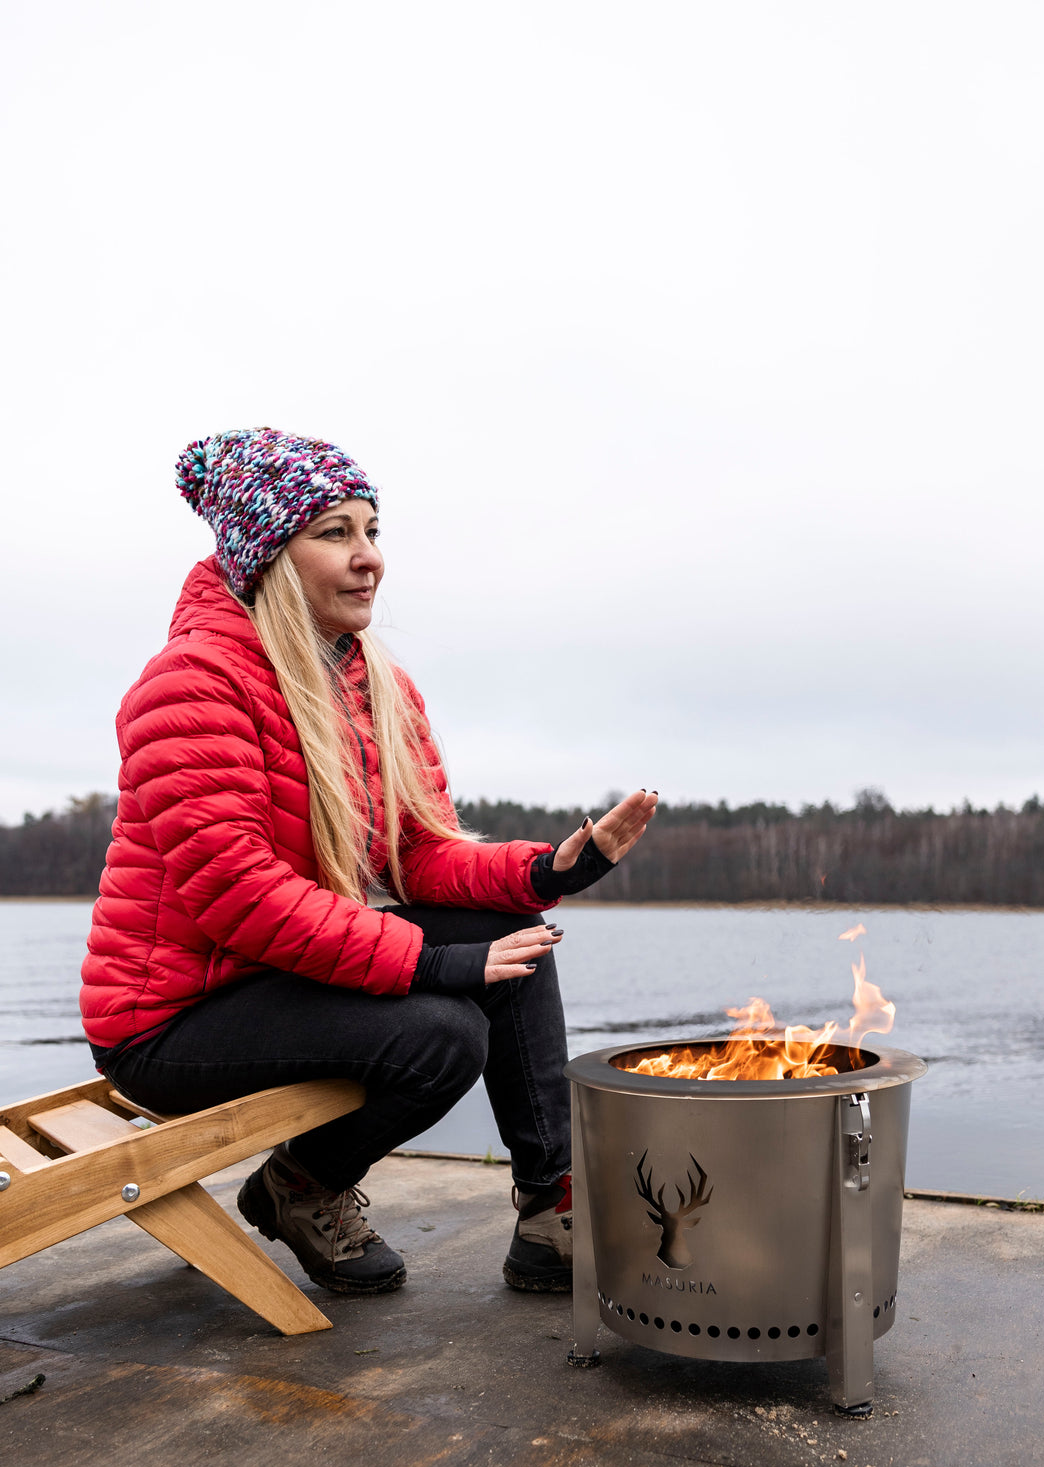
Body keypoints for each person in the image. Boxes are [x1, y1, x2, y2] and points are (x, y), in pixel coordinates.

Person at [80, 427, 656, 1300]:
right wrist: (436, 965)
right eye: (335, 533)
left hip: (278, 974)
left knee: (515, 930)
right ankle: (301, 1185)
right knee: (442, 1034)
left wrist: (547, 872)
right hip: (171, 1020)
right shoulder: (189, 685)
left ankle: (552, 1210)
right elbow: (241, 897)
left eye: (373, 532)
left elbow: (419, 854)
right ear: (269, 554)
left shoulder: (374, 683)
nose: (369, 559)